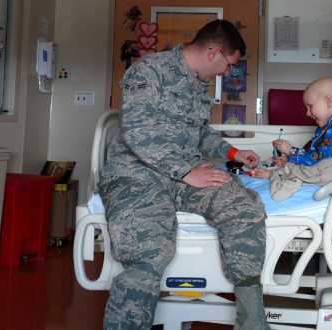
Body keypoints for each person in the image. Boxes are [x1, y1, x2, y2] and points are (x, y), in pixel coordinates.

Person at [98, 20, 269, 329]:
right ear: (214, 51)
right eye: (228, 64)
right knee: (150, 249)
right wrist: (186, 171)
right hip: (137, 173)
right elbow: (137, 133)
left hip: (184, 173)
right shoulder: (148, 72)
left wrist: (232, 154)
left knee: (243, 207)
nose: (227, 72)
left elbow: (199, 132)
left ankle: (253, 322)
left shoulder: (197, 83)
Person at [252, 77, 332, 200]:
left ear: (328, 101)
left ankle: (277, 175)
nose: (307, 113)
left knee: (309, 172)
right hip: (329, 168)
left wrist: (291, 151)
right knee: (302, 167)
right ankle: (284, 170)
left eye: (310, 106)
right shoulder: (328, 125)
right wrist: (291, 156)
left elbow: (317, 163)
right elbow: (314, 155)